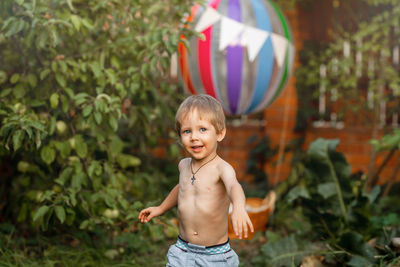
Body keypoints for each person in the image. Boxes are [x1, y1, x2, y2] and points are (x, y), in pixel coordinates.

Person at [138, 94, 254, 267]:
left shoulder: (221, 169)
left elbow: (234, 186)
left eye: (202, 129)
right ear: (180, 136)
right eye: (187, 131)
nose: (194, 137)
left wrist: (238, 207)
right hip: (182, 250)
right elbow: (182, 188)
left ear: (220, 133)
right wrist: (161, 208)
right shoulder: (184, 165)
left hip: (214, 256)